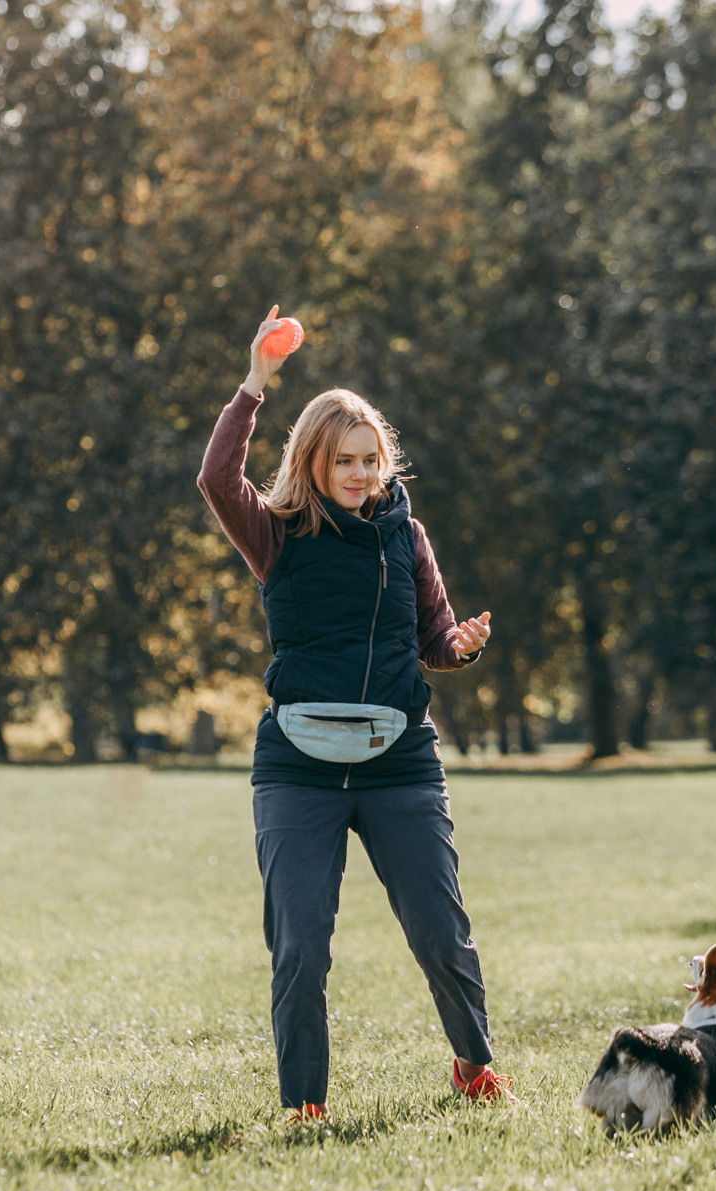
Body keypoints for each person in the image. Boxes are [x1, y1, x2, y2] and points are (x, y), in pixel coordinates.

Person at [197, 305, 518, 1123]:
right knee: (301, 946)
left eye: (370, 459)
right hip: (299, 765)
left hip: (400, 759)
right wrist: (253, 386)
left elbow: (433, 638)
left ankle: (475, 1066)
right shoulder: (276, 534)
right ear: (312, 460)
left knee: (441, 933)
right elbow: (215, 478)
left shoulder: (404, 534)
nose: (359, 472)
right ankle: (306, 1104)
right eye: (343, 459)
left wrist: (464, 641)